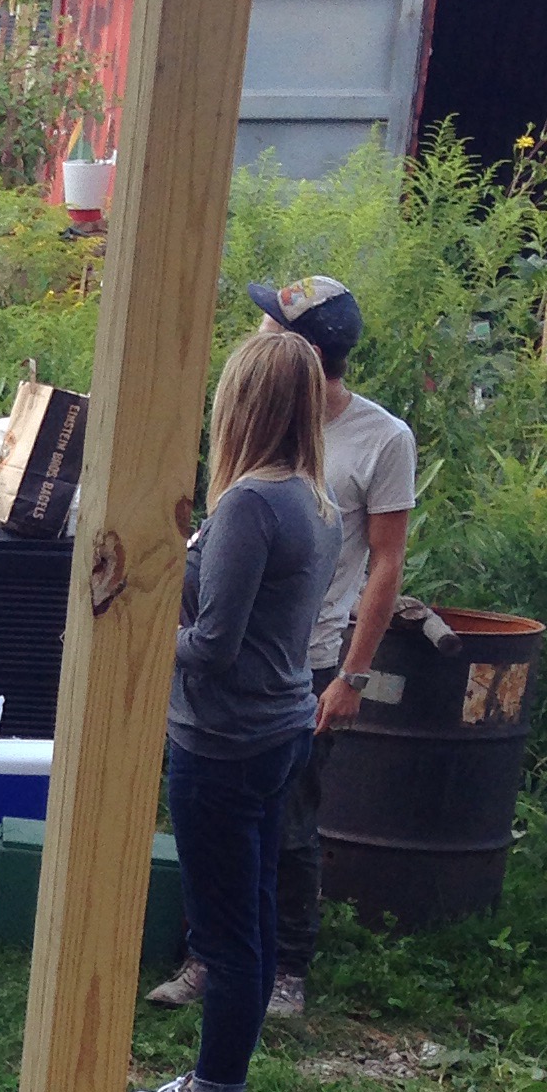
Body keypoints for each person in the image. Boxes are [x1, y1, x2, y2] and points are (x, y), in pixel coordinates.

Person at [149, 273, 416, 1018]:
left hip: (310, 656)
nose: (256, 334)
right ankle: (209, 957)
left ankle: (286, 967)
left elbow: (387, 563)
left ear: (302, 353)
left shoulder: (382, 438)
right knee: (220, 820)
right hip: (237, 656)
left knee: (290, 826)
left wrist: (352, 676)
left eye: (269, 327)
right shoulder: (261, 431)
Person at [123, 329, 338, 1092]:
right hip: (277, 730)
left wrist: (135, 631)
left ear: (241, 405)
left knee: (225, 938)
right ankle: (215, 1079)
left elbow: (212, 645)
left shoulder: (251, 503)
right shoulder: (313, 499)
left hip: (225, 743)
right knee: (249, 919)